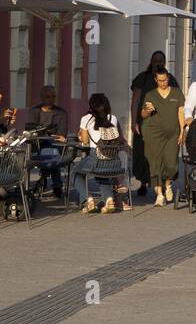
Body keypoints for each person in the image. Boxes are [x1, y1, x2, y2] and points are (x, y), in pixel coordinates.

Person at [73, 94, 129, 213]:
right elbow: (119, 139)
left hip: (96, 158)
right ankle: (109, 200)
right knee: (101, 173)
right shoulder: (112, 118)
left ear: (91, 107)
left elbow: (85, 141)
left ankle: (88, 200)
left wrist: (81, 134)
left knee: (76, 173)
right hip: (114, 162)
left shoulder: (86, 119)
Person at [140, 67, 185, 206]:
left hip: (172, 133)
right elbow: (143, 114)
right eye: (159, 81)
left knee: (171, 163)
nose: (162, 83)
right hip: (153, 133)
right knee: (155, 163)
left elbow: (181, 111)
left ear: (168, 78)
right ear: (155, 80)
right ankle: (159, 194)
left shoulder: (176, 93)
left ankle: (168, 184)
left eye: (164, 80)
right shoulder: (150, 95)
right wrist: (147, 111)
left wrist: (183, 130)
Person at [129, 50, 167, 197]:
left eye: (161, 61)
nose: (158, 63)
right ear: (151, 62)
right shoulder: (142, 78)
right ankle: (143, 183)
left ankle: (160, 183)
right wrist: (133, 121)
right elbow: (135, 100)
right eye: (156, 60)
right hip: (144, 123)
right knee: (142, 154)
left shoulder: (169, 79)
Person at [31, 84, 70, 199]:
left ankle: (43, 181)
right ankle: (56, 185)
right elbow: (30, 131)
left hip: (56, 145)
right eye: (48, 97)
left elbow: (62, 134)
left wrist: (47, 135)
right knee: (49, 151)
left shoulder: (62, 113)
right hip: (37, 145)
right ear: (42, 98)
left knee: (51, 150)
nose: (51, 99)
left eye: (53, 96)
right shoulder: (34, 111)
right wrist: (47, 135)